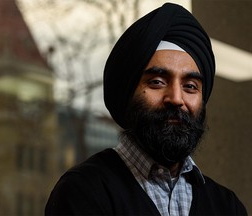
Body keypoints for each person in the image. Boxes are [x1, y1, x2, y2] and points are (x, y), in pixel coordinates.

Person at [45, 3, 247, 216]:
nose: (176, 98)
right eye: (157, 82)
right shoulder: (85, 192)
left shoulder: (227, 206)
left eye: (190, 86)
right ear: (128, 91)